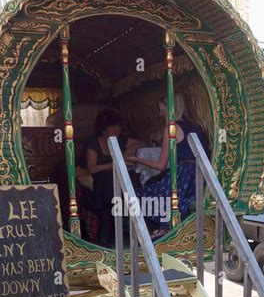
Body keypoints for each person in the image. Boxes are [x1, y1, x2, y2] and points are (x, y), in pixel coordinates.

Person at [127, 93, 208, 236]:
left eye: (161, 110)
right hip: (200, 175)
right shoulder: (197, 126)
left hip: (183, 175)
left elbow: (160, 165)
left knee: (138, 196)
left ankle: (162, 229)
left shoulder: (171, 129)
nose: (160, 114)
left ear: (169, 109)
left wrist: (137, 159)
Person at [85, 109, 126, 247]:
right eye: (114, 126)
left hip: (109, 187)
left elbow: (142, 143)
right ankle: (105, 238)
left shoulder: (119, 140)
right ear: (104, 129)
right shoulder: (93, 143)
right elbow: (92, 168)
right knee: (107, 179)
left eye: (119, 126)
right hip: (94, 185)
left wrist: (130, 152)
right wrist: (114, 165)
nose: (118, 129)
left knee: (113, 181)